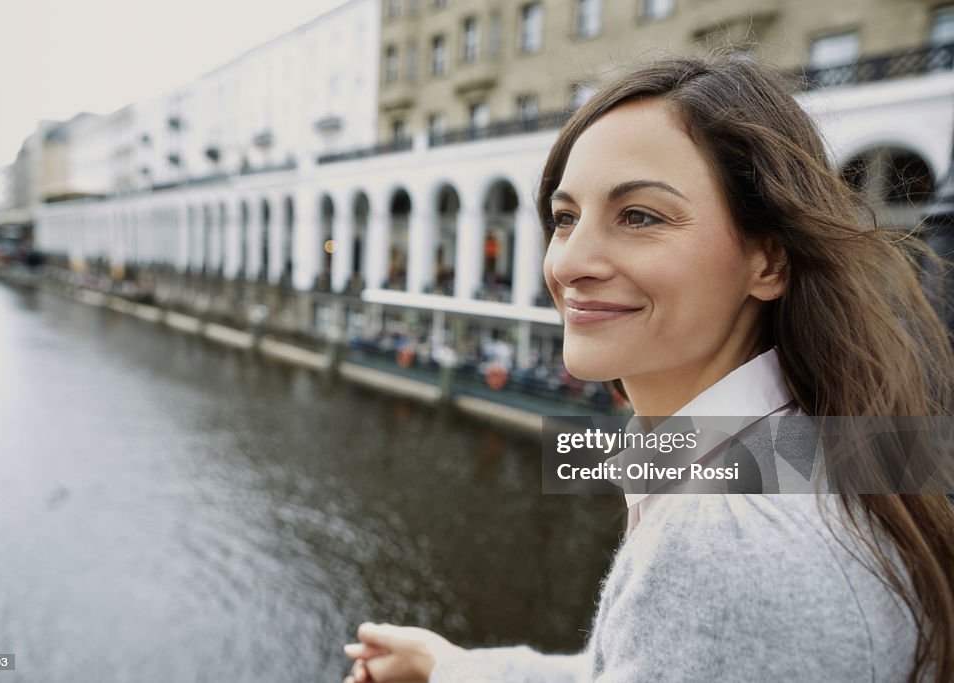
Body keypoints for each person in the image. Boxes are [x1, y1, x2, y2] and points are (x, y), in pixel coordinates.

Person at [343, 53, 954, 682]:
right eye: (565, 218)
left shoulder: (721, 543)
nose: (569, 262)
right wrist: (451, 666)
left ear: (768, 261)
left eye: (639, 216)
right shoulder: (827, 449)